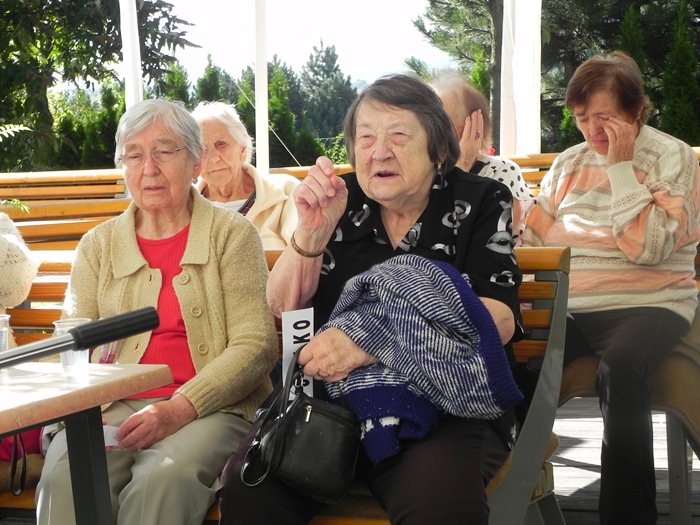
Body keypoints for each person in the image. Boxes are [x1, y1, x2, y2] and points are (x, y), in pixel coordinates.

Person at [217, 74, 524, 524]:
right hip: (329, 406)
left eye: (398, 136)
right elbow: (282, 306)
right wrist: (311, 235)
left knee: (437, 503)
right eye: (365, 138)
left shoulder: (478, 199)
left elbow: (498, 318)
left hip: (444, 401)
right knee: (250, 491)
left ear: (438, 148)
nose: (379, 151)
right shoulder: (340, 201)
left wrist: (369, 340)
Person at [35, 99, 279, 525]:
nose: (148, 168)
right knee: (65, 479)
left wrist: (179, 407)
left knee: (161, 481)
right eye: (134, 155)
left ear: (195, 162)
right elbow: (71, 339)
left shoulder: (231, 235)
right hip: (112, 405)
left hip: (211, 407)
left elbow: (256, 343)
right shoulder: (98, 246)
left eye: (164, 152)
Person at [522, 51, 700, 525]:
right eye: (583, 118)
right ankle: (505, 492)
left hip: (649, 302)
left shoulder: (673, 157)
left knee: (620, 368)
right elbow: (531, 240)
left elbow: (650, 248)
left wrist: (621, 168)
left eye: (605, 117)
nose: (592, 130)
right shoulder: (567, 164)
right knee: (503, 355)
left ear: (636, 110)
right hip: (569, 304)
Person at [430, 69, 536, 242]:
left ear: (476, 127)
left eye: (444, 123)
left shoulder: (501, 172)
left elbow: (490, 238)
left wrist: (461, 166)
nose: (432, 132)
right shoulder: (420, 176)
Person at [191, 101, 299, 249]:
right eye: (202, 150)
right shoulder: (181, 208)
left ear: (242, 150)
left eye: (221, 144)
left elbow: (304, 250)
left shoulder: (286, 192)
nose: (214, 158)